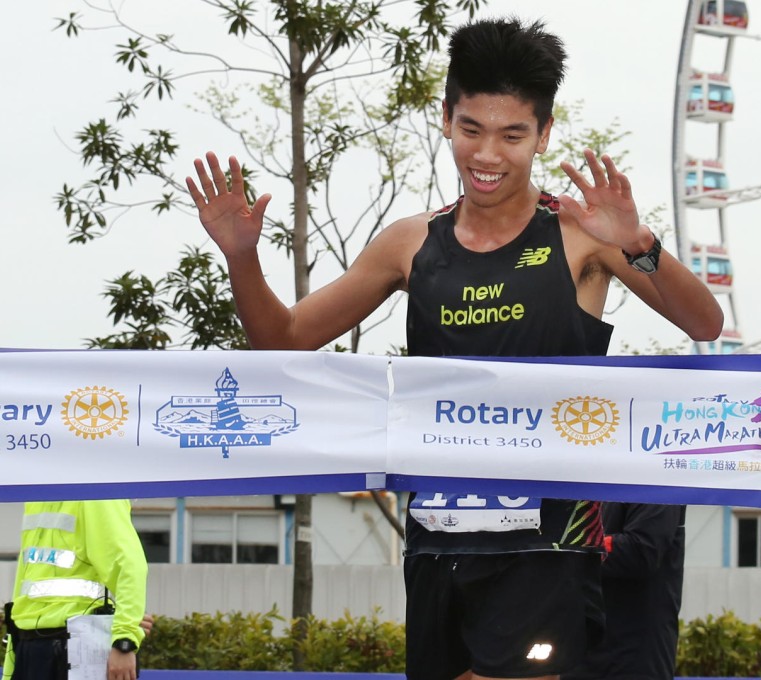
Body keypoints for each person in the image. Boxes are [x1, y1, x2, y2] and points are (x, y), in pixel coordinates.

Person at [186, 17, 722, 680]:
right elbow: (283, 341)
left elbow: (703, 321)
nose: (488, 155)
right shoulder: (410, 243)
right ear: (445, 120)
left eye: (512, 135)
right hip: (437, 547)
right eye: (471, 129)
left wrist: (638, 241)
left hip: (548, 551)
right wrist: (242, 258)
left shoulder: (583, 237)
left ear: (544, 135)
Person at [2, 501, 148, 680]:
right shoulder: (37, 495)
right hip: (31, 646)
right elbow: (26, 579)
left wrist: (124, 641)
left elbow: (129, 566)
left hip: (75, 649)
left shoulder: (95, 489)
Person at [563, 503, 685, 680]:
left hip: (636, 653)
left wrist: (571, 546)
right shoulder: (590, 483)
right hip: (584, 647)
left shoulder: (657, 482)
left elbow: (642, 549)